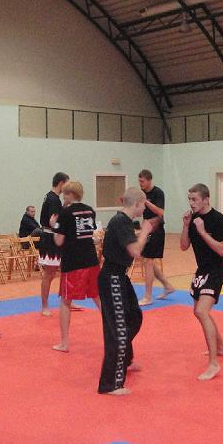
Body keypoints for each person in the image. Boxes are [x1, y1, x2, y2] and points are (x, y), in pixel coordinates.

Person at [98, 187, 154, 395]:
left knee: (134, 317)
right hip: (112, 277)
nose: (145, 208)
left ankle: (125, 358)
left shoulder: (124, 223)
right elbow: (135, 251)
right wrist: (145, 232)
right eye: (144, 204)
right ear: (137, 203)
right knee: (118, 329)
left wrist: (140, 233)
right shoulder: (120, 221)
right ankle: (110, 383)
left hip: (120, 276)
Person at [180, 183, 223, 381]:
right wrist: (186, 226)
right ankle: (221, 347)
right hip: (201, 270)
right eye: (190, 199)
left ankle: (214, 363)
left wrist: (202, 232)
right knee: (199, 312)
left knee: (201, 311)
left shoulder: (218, 220)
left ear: (206, 199)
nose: (191, 203)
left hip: (216, 270)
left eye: (195, 199)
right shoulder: (193, 219)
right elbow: (183, 246)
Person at [52, 181, 101, 352]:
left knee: (66, 301)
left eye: (65, 194)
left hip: (73, 263)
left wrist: (54, 225)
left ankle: (64, 343)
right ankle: (115, 334)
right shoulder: (90, 210)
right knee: (98, 297)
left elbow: (59, 241)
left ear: (70, 195)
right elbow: (89, 233)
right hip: (91, 260)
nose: (63, 197)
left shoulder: (65, 213)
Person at [137, 169, 175, 306]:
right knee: (148, 261)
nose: (140, 184)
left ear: (149, 180)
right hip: (147, 229)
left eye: (142, 181)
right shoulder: (142, 193)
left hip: (157, 229)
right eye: (139, 181)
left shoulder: (158, 193)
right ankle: (167, 285)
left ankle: (148, 297)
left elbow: (160, 212)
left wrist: (146, 202)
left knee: (148, 261)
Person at [38, 172, 69, 316]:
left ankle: (67, 300)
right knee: (49, 273)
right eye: (66, 184)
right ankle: (44, 305)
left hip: (54, 236)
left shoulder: (51, 197)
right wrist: (62, 229)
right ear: (61, 183)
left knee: (65, 270)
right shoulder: (53, 199)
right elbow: (52, 221)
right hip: (50, 238)